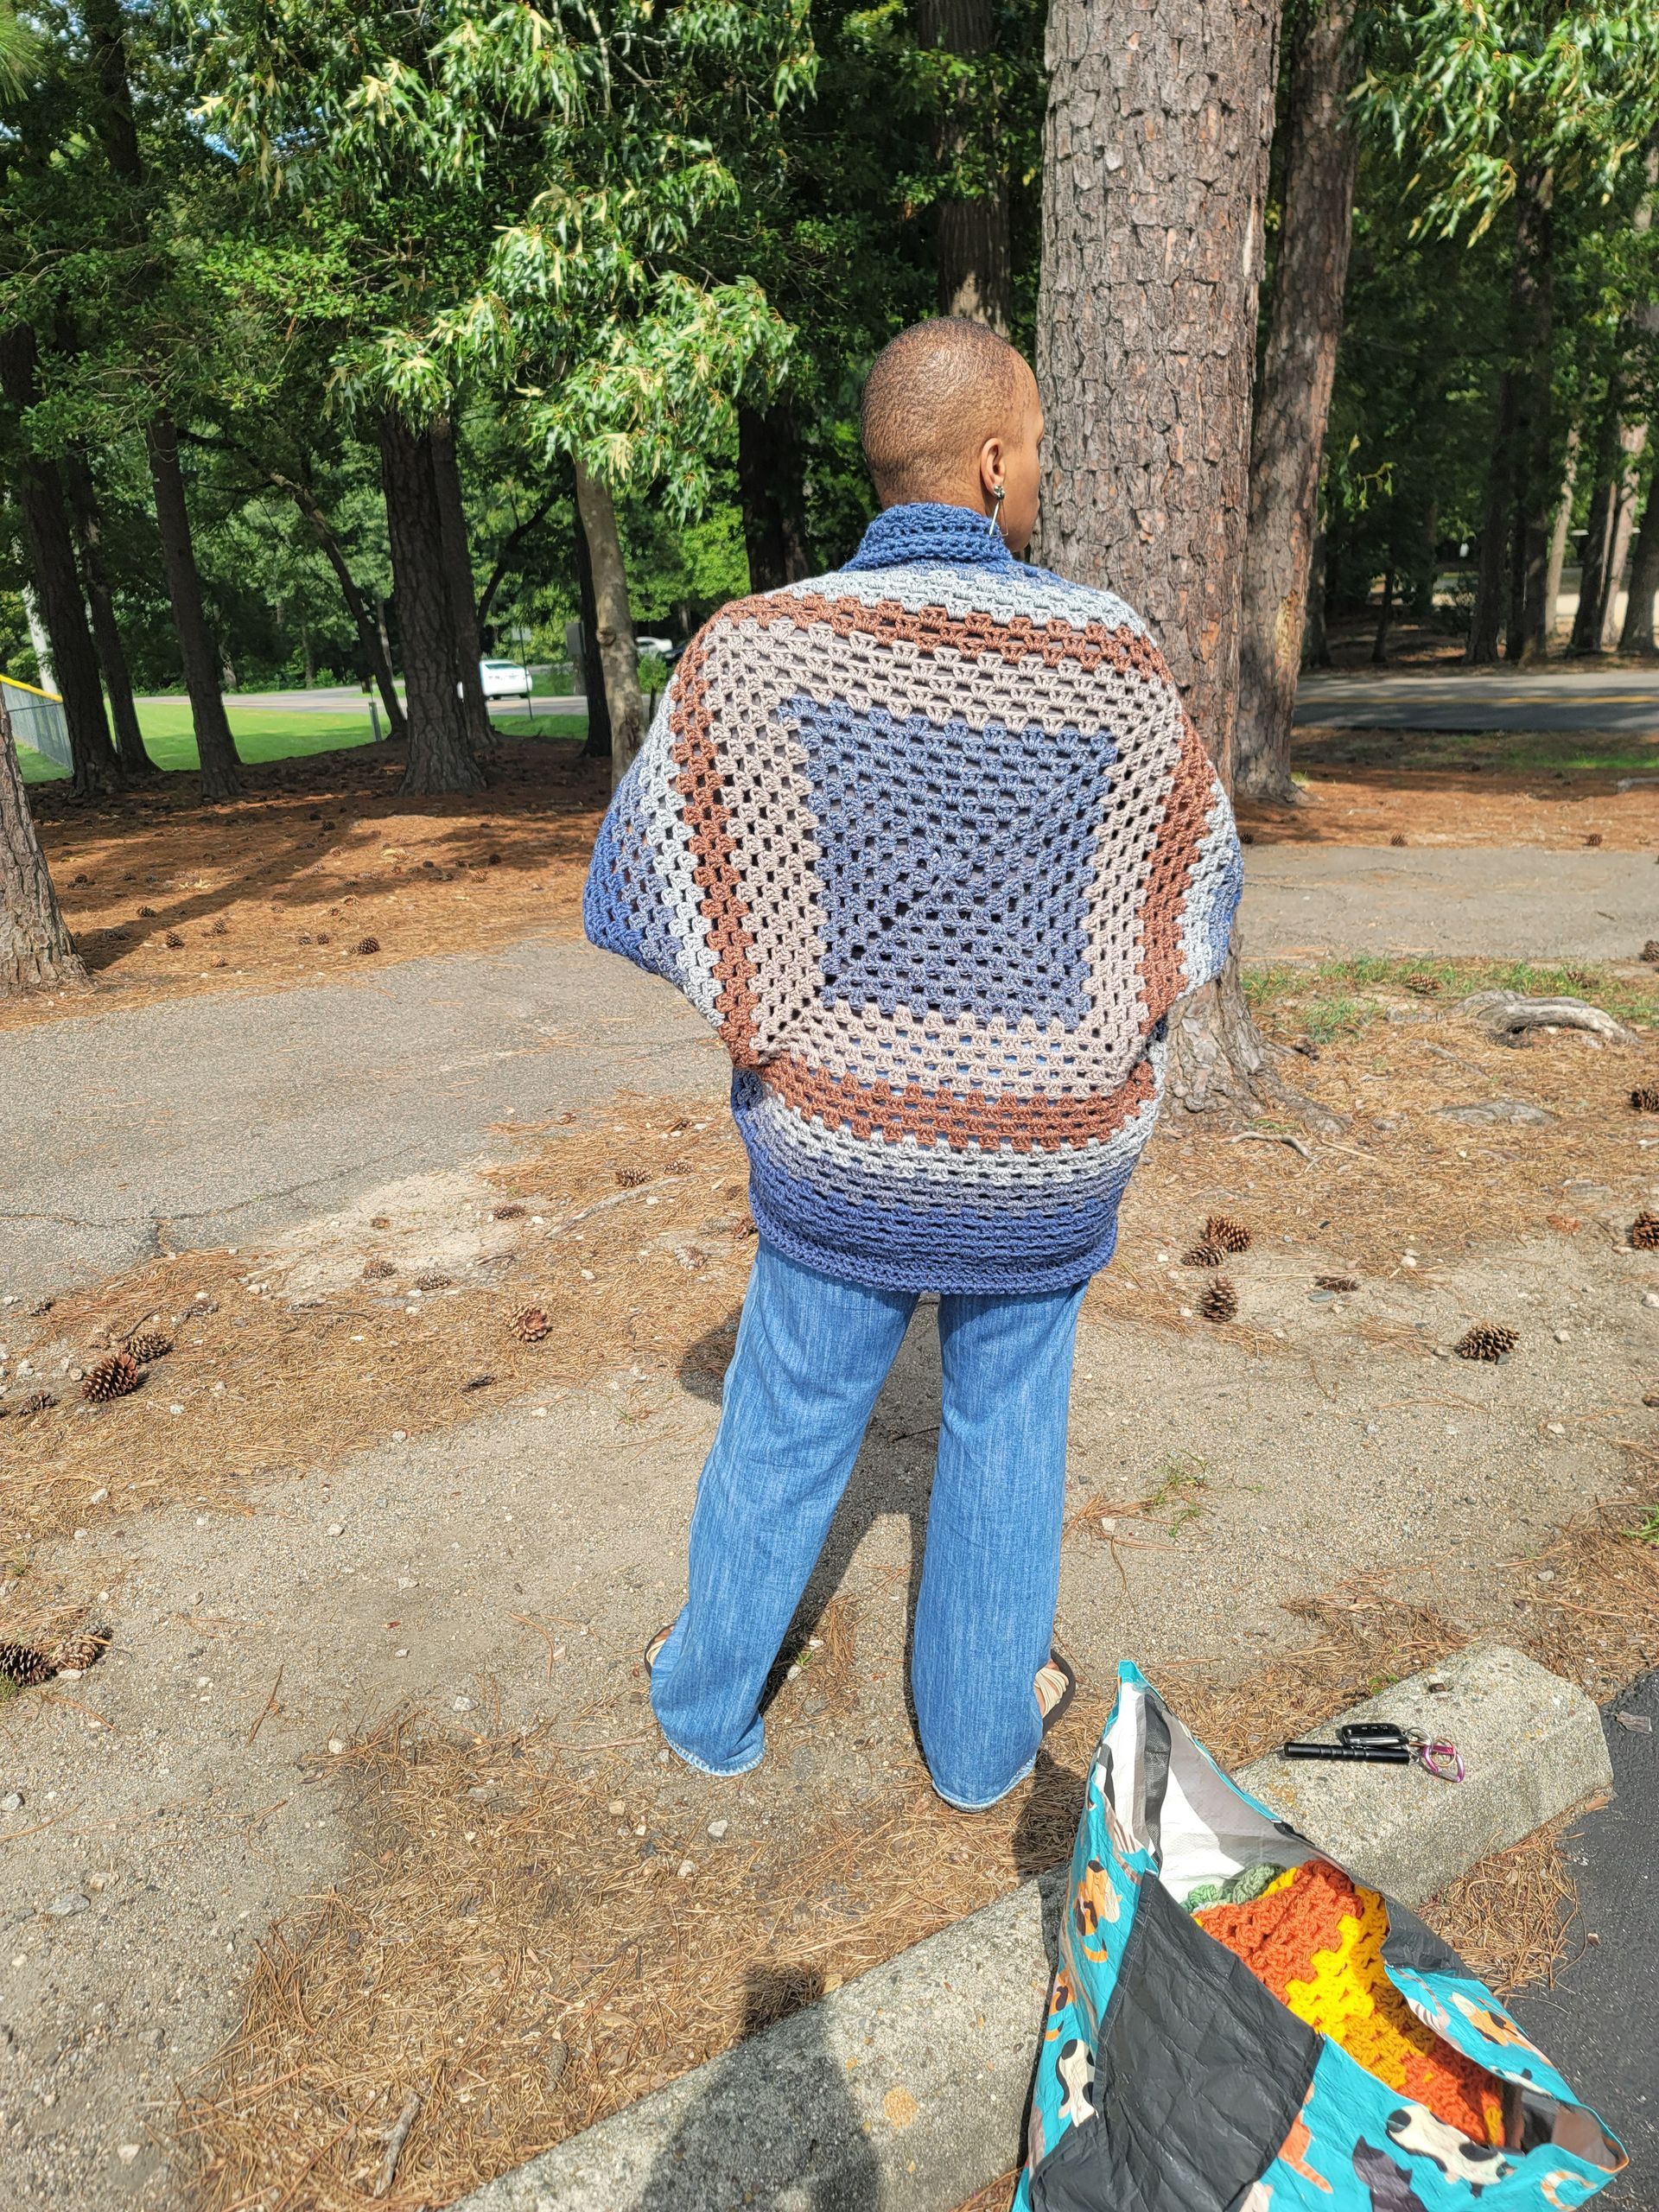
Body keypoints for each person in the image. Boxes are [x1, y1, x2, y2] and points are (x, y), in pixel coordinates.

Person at [583, 316, 1242, 1810]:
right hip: (1050, 1156)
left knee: (789, 1413)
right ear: (993, 461)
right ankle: (980, 1745)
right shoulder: (1111, 657)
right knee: (1008, 1432)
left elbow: (652, 880)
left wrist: (779, 1037)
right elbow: (1193, 897)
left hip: (841, 1146)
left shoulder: (756, 647)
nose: (1042, 486)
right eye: (1039, 460)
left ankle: (705, 1708)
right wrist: (1088, 1055)